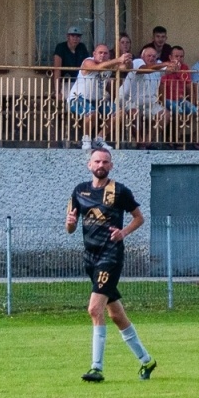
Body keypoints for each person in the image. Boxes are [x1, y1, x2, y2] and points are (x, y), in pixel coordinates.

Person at [66, 148, 155, 382]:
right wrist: (70, 223)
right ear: (89, 164)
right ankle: (147, 361)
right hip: (90, 258)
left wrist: (123, 233)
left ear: (111, 166)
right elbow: (70, 228)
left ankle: (97, 367)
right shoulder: (79, 191)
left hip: (111, 256)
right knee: (116, 315)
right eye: (97, 161)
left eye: (105, 161)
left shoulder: (120, 191)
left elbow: (139, 217)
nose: (101, 164)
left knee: (94, 310)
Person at [67, 43, 127, 151]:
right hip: (78, 98)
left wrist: (127, 60)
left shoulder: (109, 66)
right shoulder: (88, 61)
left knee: (120, 113)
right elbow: (97, 67)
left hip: (98, 100)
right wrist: (118, 60)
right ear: (94, 54)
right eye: (100, 53)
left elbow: (125, 67)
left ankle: (99, 138)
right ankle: (86, 139)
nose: (102, 55)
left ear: (109, 56)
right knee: (91, 113)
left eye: (105, 53)